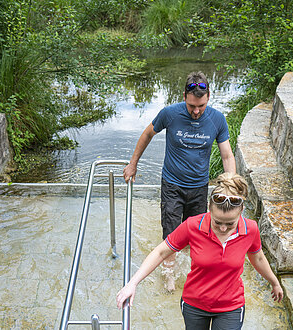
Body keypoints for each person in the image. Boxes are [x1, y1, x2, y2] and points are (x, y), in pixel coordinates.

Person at [116, 172, 283, 330]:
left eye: (230, 224)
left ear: (241, 211)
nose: (223, 228)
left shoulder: (250, 229)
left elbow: (258, 258)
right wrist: (132, 283)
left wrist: (275, 282)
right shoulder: (192, 226)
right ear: (209, 207)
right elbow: (161, 252)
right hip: (194, 304)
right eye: (217, 222)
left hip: (231, 306)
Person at [123, 71, 236, 291]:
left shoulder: (217, 119)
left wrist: (230, 185)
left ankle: (194, 274)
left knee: (199, 234)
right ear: (184, 95)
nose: (196, 111)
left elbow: (227, 156)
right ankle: (169, 274)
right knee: (171, 230)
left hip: (199, 186)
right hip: (172, 184)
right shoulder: (170, 114)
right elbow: (147, 134)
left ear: (208, 97)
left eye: (200, 106)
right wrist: (133, 163)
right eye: (192, 105)